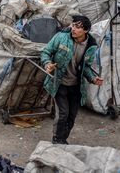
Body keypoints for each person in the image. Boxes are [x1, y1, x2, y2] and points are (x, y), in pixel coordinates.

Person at [41, 15, 103, 145]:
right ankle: (57, 140)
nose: (73, 29)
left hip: (76, 86)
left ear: (86, 30)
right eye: (73, 25)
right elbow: (46, 52)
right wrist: (48, 64)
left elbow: (86, 67)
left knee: (71, 116)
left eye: (78, 27)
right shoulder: (61, 37)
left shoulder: (91, 46)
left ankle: (63, 139)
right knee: (63, 114)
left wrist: (92, 78)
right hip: (59, 82)